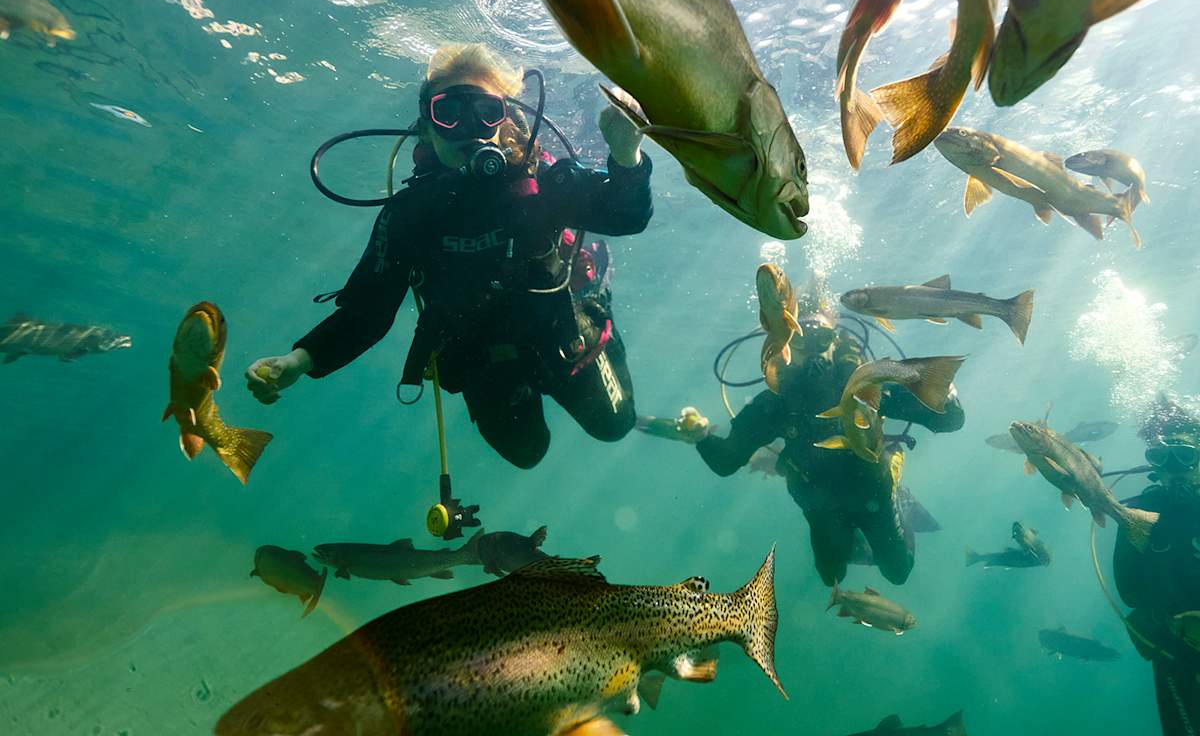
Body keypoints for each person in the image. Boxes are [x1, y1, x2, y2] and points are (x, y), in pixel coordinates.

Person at [245, 44, 653, 469]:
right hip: (484, 363)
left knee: (614, 425)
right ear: (428, 124)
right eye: (449, 112)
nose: (469, 128)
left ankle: (596, 312)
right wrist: (299, 360)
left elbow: (625, 214)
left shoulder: (540, 180)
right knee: (526, 454)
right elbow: (368, 312)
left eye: (486, 111)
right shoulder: (410, 214)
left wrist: (627, 156)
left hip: (562, 337)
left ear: (505, 120)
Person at [645, 305, 964, 586]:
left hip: (874, 494)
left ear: (836, 344)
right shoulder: (777, 402)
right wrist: (700, 435)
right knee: (831, 578)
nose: (813, 353)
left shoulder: (861, 386)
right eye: (801, 341)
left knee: (898, 573)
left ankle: (900, 500)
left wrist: (943, 394)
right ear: (785, 349)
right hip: (820, 506)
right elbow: (727, 461)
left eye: (822, 340)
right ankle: (854, 539)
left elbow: (949, 420)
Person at [1113, 397, 1200, 735]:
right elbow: (1129, 593)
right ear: (1154, 464)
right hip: (1172, 650)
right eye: (1163, 457)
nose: (1176, 467)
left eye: (1187, 456)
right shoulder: (1140, 515)